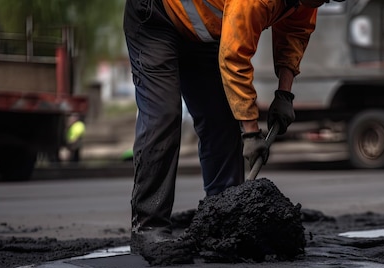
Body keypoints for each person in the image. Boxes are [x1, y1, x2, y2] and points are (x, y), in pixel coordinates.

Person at [124, 0, 342, 255]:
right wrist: (250, 132)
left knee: (223, 121)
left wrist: (285, 93)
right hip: (156, 18)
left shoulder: (306, 2)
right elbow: (234, 58)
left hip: (204, 33)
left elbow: (294, 33)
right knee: (164, 116)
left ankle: (221, 218)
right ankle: (148, 228)